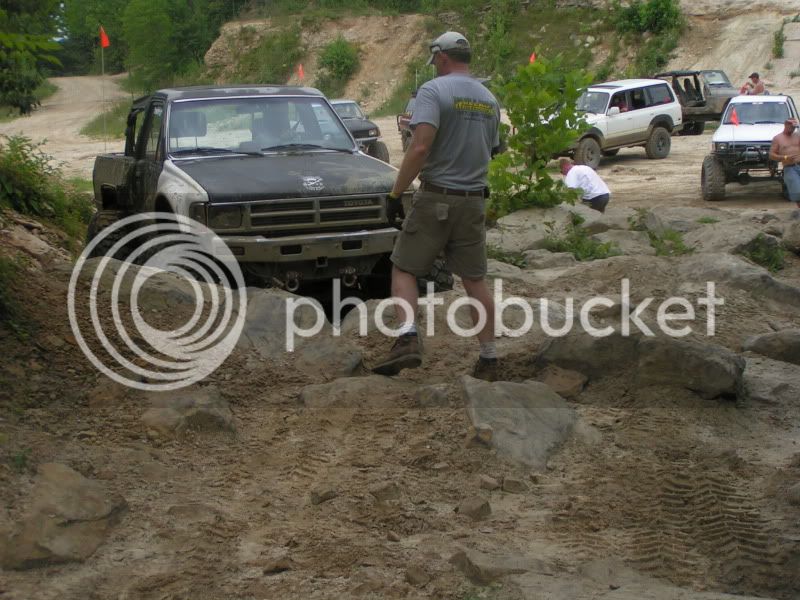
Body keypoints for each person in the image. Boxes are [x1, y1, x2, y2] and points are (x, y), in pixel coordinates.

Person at [371, 31, 502, 381]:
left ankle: (408, 338)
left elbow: (419, 147)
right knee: (475, 281)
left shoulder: (433, 91)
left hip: (437, 197)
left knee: (403, 267)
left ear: (441, 57)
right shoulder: (489, 99)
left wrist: (396, 195)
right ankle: (489, 358)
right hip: (474, 200)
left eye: (435, 62)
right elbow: (493, 150)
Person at [769, 118, 800, 208]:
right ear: (786, 125)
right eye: (791, 127)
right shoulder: (778, 138)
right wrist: (785, 157)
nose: (793, 129)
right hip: (790, 168)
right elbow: (771, 155)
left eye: (795, 127)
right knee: (797, 192)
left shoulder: (797, 136)